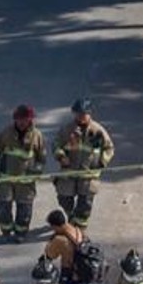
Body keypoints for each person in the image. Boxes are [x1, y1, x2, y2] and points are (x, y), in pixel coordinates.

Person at [0, 104, 48, 241]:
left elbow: (42, 158)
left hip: (26, 181)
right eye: (19, 119)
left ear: (30, 119)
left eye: (25, 119)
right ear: (15, 119)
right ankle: (6, 230)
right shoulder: (6, 133)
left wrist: (36, 172)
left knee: (25, 209)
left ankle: (21, 233)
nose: (21, 122)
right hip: (6, 179)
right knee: (2, 206)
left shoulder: (37, 136)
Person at [53, 98, 114, 229]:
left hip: (88, 174)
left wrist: (102, 161)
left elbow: (109, 148)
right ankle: (71, 216)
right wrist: (61, 156)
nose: (80, 117)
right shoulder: (67, 130)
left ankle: (79, 229)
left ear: (89, 114)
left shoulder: (98, 130)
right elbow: (56, 145)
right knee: (64, 198)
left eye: (83, 114)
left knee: (85, 205)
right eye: (78, 113)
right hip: (69, 171)